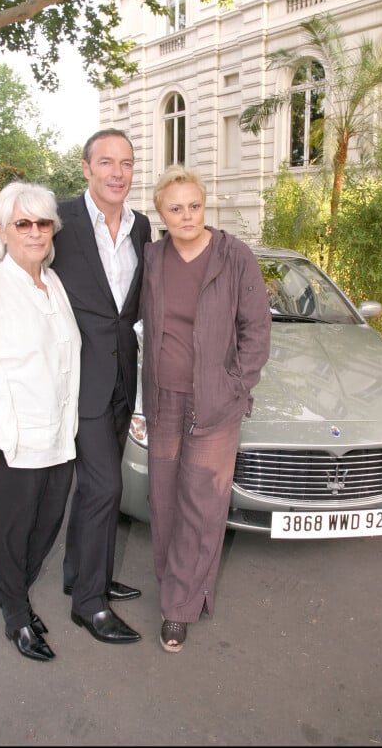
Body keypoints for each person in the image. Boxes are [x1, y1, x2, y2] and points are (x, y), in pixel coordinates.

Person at [139, 165, 272, 652]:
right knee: (164, 499)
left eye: (194, 204)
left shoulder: (234, 256)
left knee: (202, 505)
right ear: (161, 214)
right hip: (163, 399)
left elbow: (256, 330)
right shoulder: (152, 258)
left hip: (215, 404)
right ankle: (176, 583)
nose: (187, 215)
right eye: (176, 208)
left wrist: (235, 386)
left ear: (205, 204)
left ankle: (179, 607)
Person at [0, 182, 82, 662]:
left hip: (57, 438)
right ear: (2, 231)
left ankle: (17, 596)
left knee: (45, 526)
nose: (34, 232)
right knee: (10, 533)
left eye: (42, 223)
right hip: (7, 440)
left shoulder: (55, 283)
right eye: (22, 223)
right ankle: (15, 616)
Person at [51, 128, 151, 645]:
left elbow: (133, 307)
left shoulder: (141, 227)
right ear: (86, 168)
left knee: (97, 487)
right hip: (79, 379)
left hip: (121, 378)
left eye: (127, 163)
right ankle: (89, 605)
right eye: (107, 162)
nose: (118, 172)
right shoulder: (59, 220)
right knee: (106, 488)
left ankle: (83, 574)